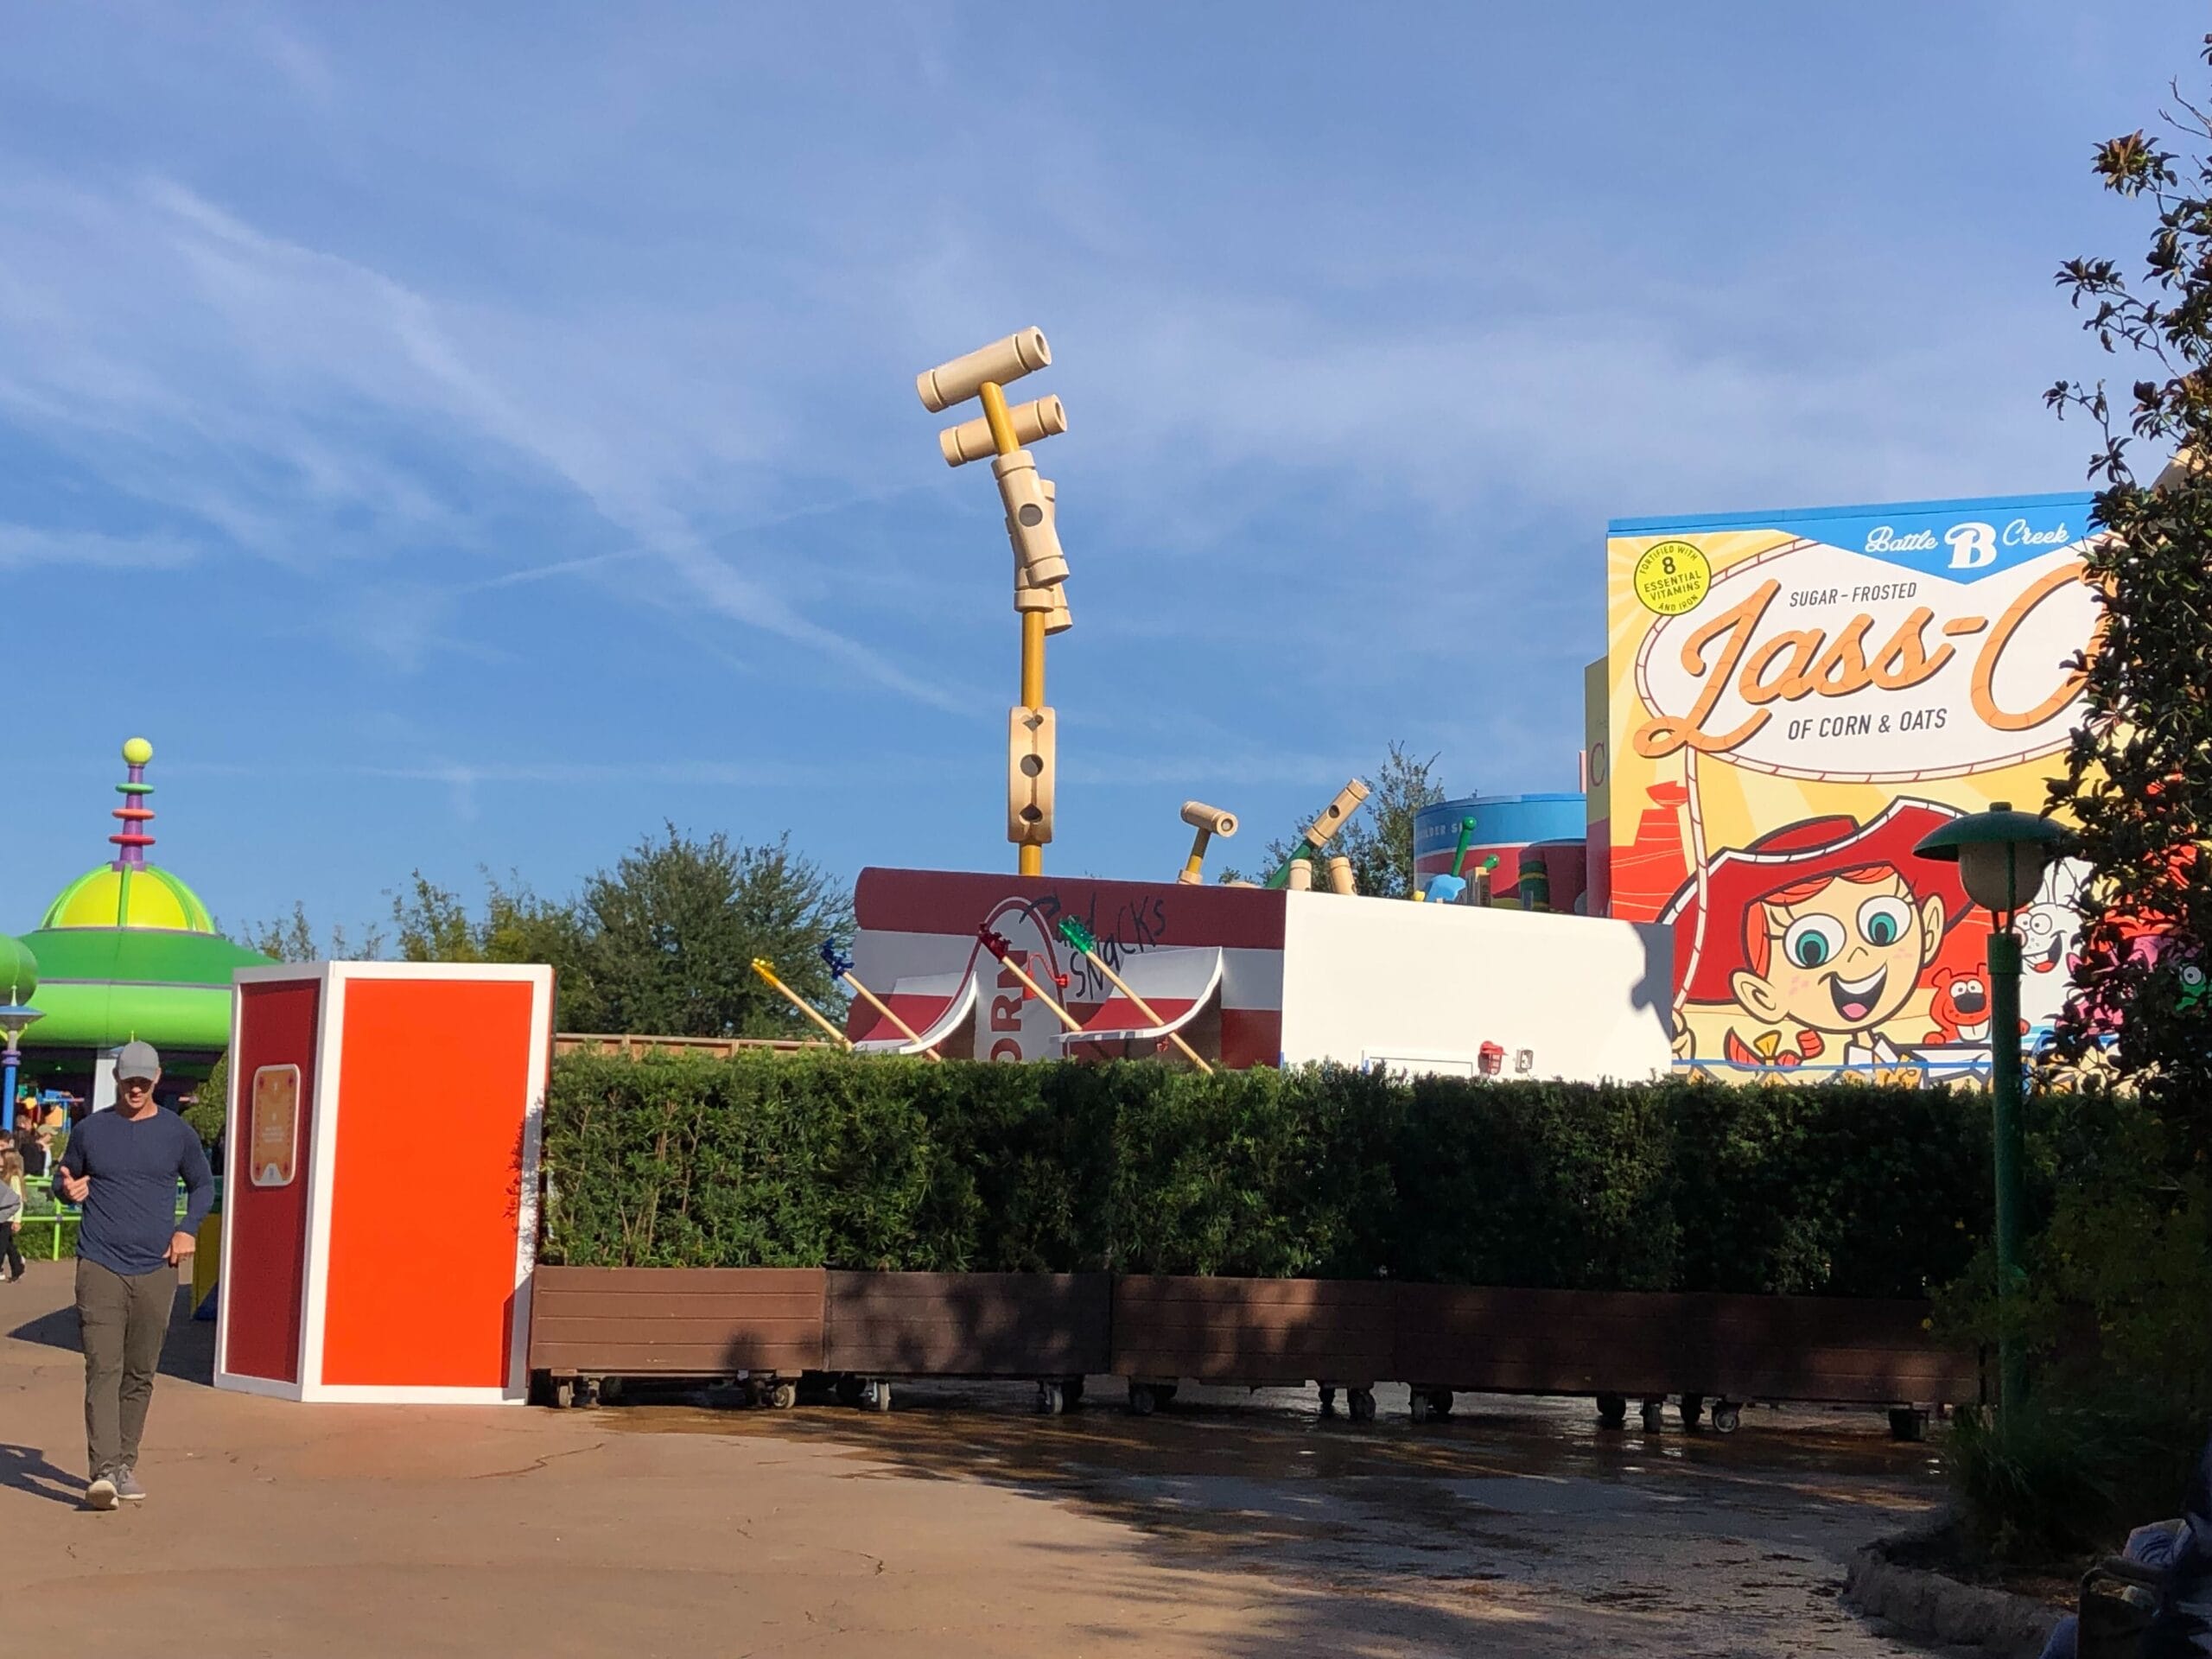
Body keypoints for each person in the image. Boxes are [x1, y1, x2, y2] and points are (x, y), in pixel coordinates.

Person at [52, 1042, 213, 1511]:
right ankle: (102, 1472)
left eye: (144, 1079)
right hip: (99, 1264)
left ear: (158, 1077)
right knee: (103, 1367)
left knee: (140, 1371)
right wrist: (67, 1191)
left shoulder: (177, 1133)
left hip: (157, 1268)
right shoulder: (90, 1130)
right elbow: (68, 1178)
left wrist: (187, 1230)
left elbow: (202, 1185)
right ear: (118, 1078)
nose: (137, 1087)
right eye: (129, 1080)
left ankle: (124, 1462)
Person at [0, 1143, 22, 1283]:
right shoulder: (3, 1176)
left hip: (8, 1217)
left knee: (2, 1245)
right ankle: (18, 1266)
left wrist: (17, 1220)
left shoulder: (13, 1179)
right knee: (8, 1245)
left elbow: (18, 1200)